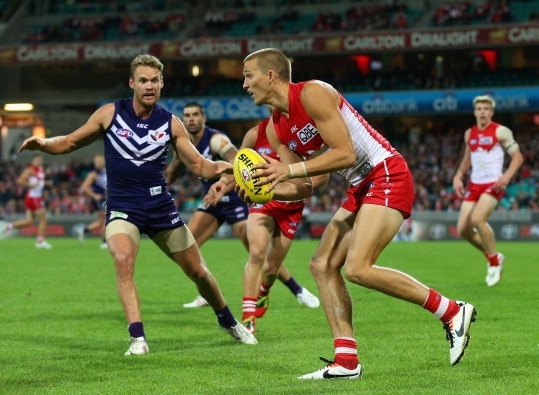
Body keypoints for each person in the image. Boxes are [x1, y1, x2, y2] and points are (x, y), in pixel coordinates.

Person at [240, 48, 476, 379]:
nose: (244, 84)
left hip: (386, 172)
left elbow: (346, 154)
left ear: (270, 75)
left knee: (358, 268)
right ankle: (347, 362)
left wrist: (287, 173)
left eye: (248, 75)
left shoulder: (312, 93)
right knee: (321, 265)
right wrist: (262, 187)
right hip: (361, 186)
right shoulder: (275, 130)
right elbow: (306, 187)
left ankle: (451, 311)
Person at [18, 53, 257, 355]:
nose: (149, 85)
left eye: (154, 80)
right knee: (122, 260)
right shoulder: (110, 114)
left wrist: (227, 167)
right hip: (122, 208)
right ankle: (138, 338)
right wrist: (44, 144)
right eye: (143, 80)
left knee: (198, 272)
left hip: (160, 208)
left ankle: (227, 320)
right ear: (132, 83)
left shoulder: (171, 123)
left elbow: (199, 166)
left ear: (161, 84)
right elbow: (70, 142)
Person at [166, 102, 319, 311]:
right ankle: (207, 291)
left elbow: (235, 159)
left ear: (204, 118)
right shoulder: (184, 144)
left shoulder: (216, 140)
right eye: (187, 116)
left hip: (236, 198)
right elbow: (173, 170)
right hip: (212, 199)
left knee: (258, 255)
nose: (191, 119)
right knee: (185, 246)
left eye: (195, 115)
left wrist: (227, 182)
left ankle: (298, 290)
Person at [209, 116, 324, 334]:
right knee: (256, 254)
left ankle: (264, 291)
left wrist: (298, 186)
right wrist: (223, 184)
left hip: (291, 207)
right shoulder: (255, 133)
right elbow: (239, 165)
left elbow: (322, 177)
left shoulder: (306, 134)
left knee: (271, 268)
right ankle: (248, 318)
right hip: (263, 202)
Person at [452, 95, 523, 287]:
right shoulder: (470, 134)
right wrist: (458, 175)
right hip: (474, 184)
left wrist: (506, 176)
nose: (482, 111)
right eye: (479, 108)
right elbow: (468, 158)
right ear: (475, 112)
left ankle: (493, 262)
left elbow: (517, 157)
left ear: (491, 112)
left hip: (493, 183)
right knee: (463, 230)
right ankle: (494, 255)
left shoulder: (501, 131)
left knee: (477, 219)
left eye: (486, 108)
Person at [0, 154, 52, 249]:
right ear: (32, 161)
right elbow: (20, 181)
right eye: (36, 160)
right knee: (43, 219)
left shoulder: (39, 169)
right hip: (34, 198)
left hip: (33, 197)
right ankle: (40, 242)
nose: (39, 161)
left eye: (40, 160)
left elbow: (38, 181)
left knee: (29, 221)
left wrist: (46, 182)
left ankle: (7, 226)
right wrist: (30, 185)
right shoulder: (30, 170)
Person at [77, 154, 108, 249]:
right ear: (95, 163)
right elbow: (84, 187)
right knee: (107, 219)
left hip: (105, 198)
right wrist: (94, 196)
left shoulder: (105, 171)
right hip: (100, 199)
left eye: (101, 160)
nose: (100, 162)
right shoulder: (93, 174)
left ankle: (85, 230)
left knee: (101, 221)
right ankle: (104, 242)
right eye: (98, 161)